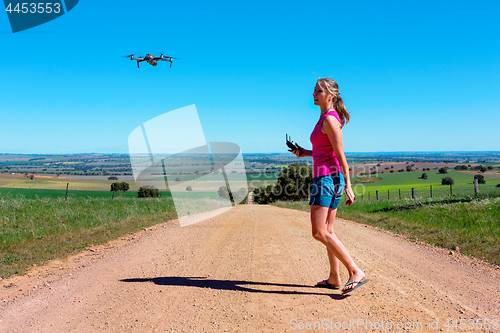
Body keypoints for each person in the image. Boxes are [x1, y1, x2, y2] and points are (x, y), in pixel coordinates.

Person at [289, 78, 368, 294]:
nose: (314, 94)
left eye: (319, 91)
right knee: (329, 230)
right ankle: (334, 278)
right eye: (314, 90)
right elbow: (326, 151)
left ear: (330, 95)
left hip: (326, 179)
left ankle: (355, 271)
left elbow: (341, 155)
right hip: (329, 178)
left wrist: (349, 185)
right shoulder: (324, 118)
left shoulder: (330, 120)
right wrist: (304, 152)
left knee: (318, 232)